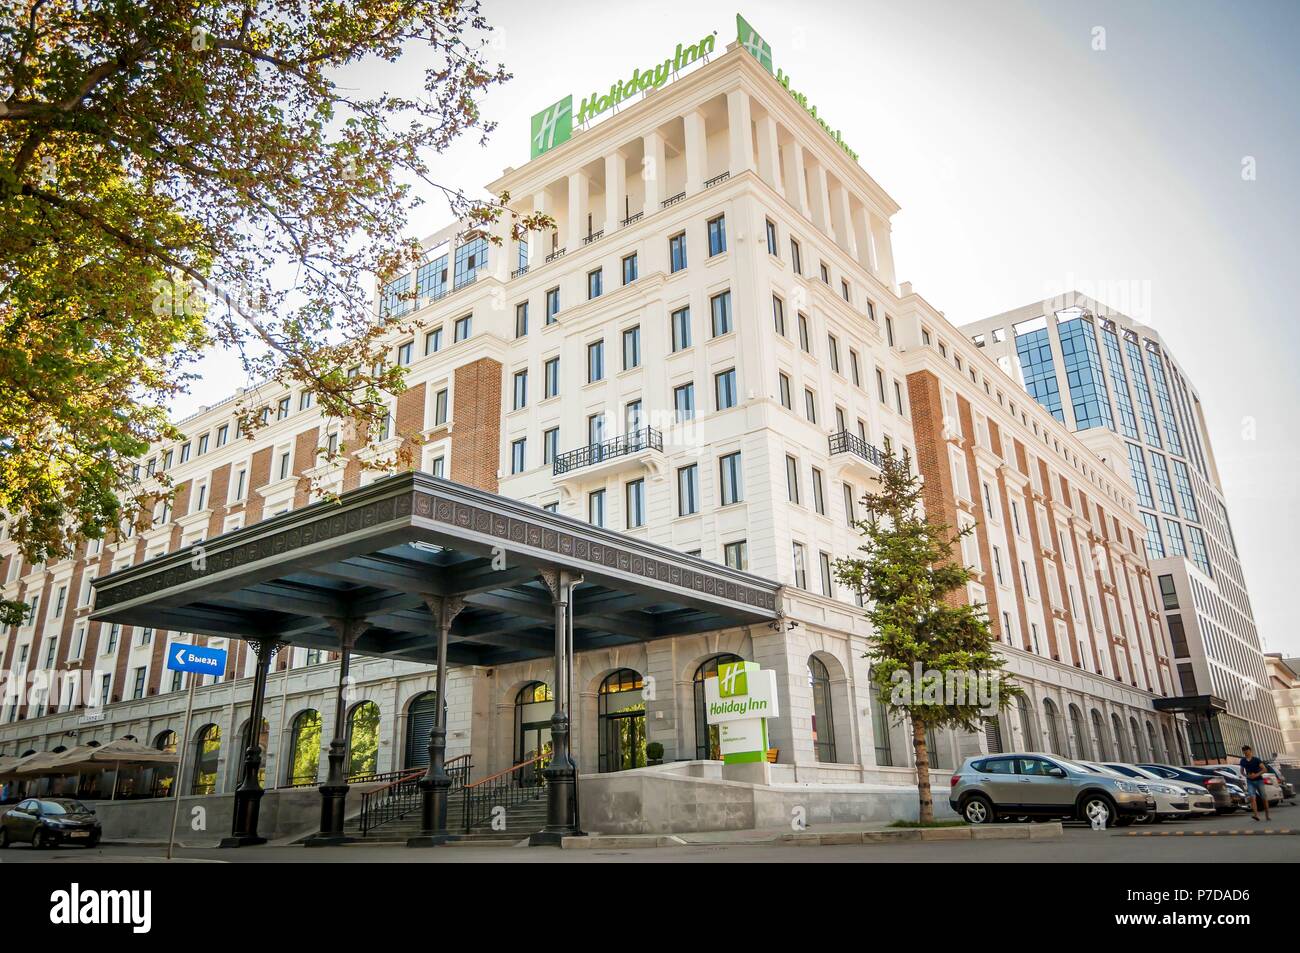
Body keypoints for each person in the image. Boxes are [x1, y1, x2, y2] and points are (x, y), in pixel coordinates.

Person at [1239, 745, 1271, 822]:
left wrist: (1256, 775)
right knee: (1252, 798)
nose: (1245, 753)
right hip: (1250, 781)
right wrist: (1247, 775)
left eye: (1246, 751)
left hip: (1259, 780)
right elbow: (1241, 771)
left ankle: (1267, 815)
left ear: (1250, 751)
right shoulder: (1243, 761)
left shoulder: (1256, 759)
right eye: (1244, 752)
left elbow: (1264, 769)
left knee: (1263, 797)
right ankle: (1256, 815)